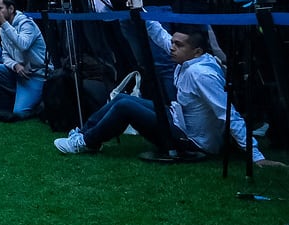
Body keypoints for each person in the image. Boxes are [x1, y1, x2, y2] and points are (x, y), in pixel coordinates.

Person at [55, 19, 269, 163]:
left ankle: (85, 142)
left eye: (179, 45)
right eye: (174, 43)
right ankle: (84, 135)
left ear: (196, 51)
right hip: (178, 121)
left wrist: (256, 156)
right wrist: (141, 11)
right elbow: (160, 36)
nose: (172, 47)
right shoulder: (190, 58)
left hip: (193, 142)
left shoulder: (201, 75)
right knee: (121, 97)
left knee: (125, 105)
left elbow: (227, 112)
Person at [0, 0, 48, 120]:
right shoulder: (2, 29)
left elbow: (23, 45)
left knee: (19, 112)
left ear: (11, 9)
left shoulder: (26, 23)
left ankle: (37, 100)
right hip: (18, 72)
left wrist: (4, 23)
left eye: (0, 8)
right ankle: (17, 96)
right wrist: (15, 65)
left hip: (36, 73)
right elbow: (5, 54)